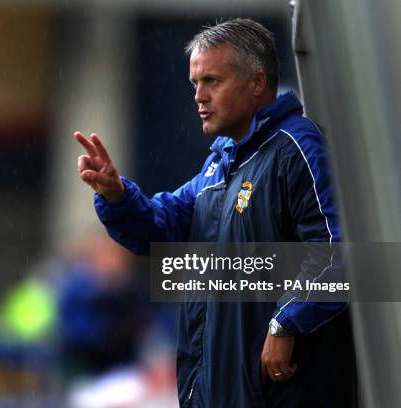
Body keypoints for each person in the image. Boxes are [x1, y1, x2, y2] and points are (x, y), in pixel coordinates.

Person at [74, 18, 355, 408]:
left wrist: (285, 321)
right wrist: (117, 195)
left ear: (257, 83)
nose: (198, 97)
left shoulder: (297, 149)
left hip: (275, 395)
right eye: (195, 84)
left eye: (212, 82)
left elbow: (337, 253)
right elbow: (160, 229)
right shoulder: (220, 164)